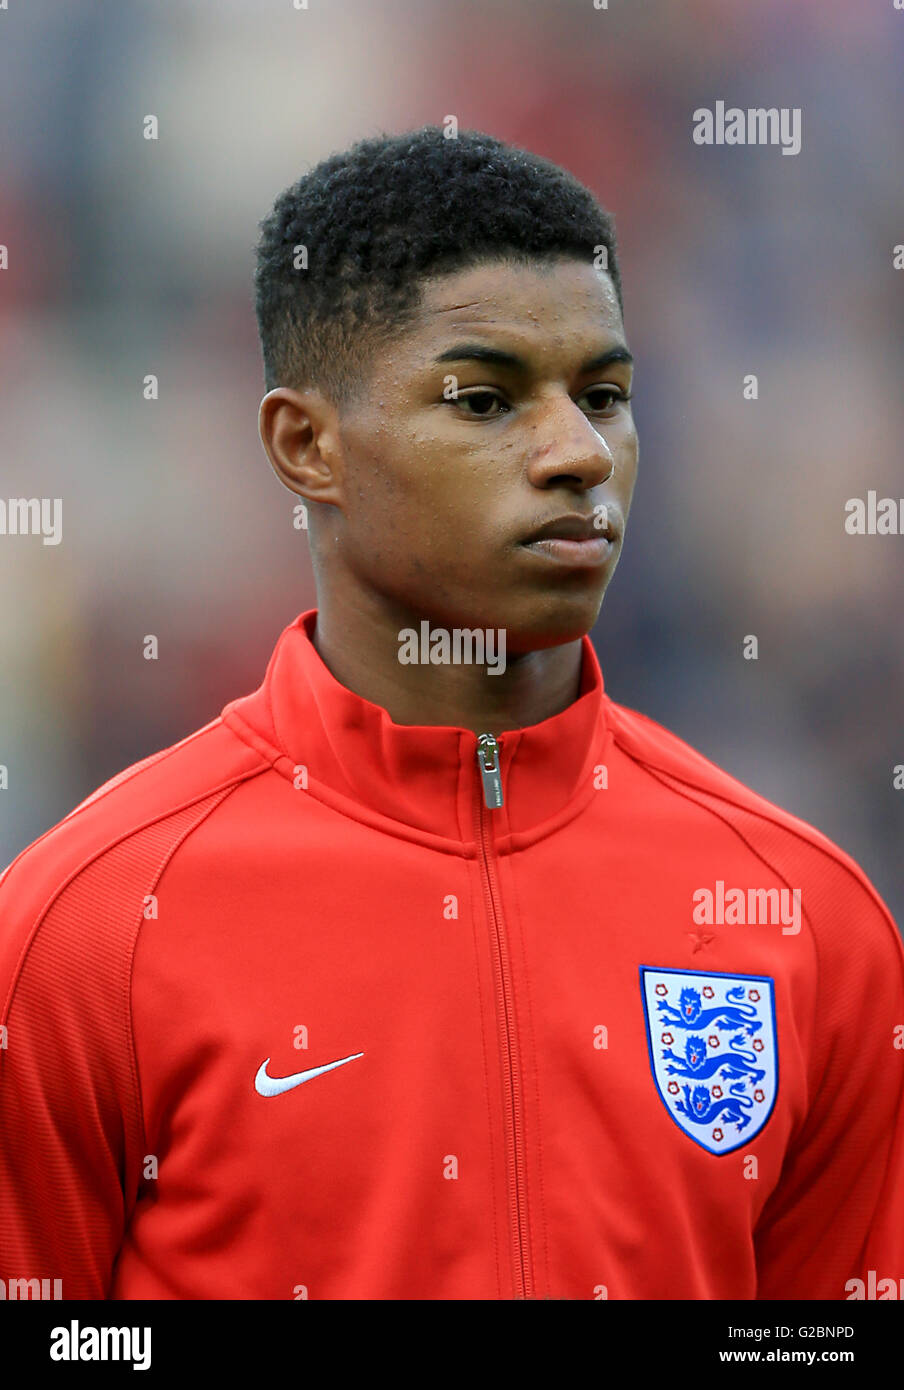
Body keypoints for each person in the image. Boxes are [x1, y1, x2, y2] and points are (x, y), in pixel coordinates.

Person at [1, 126, 901, 1301]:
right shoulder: (85, 929)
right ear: (306, 445)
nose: (579, 452)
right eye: (484, 398)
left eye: (606, 396)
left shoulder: (803, 914)